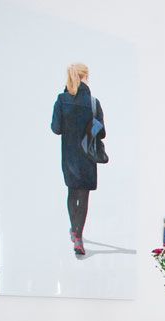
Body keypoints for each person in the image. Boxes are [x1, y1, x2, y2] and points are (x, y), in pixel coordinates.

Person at [51, 63, 105, 257]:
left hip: (69, 157)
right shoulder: (93, 103)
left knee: (72, 192)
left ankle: (74, 231)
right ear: (85, 77)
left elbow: (56, 128)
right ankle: (78, 236)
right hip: (87, 157)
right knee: (83, 197)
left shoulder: (61, 100)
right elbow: (102, 133)